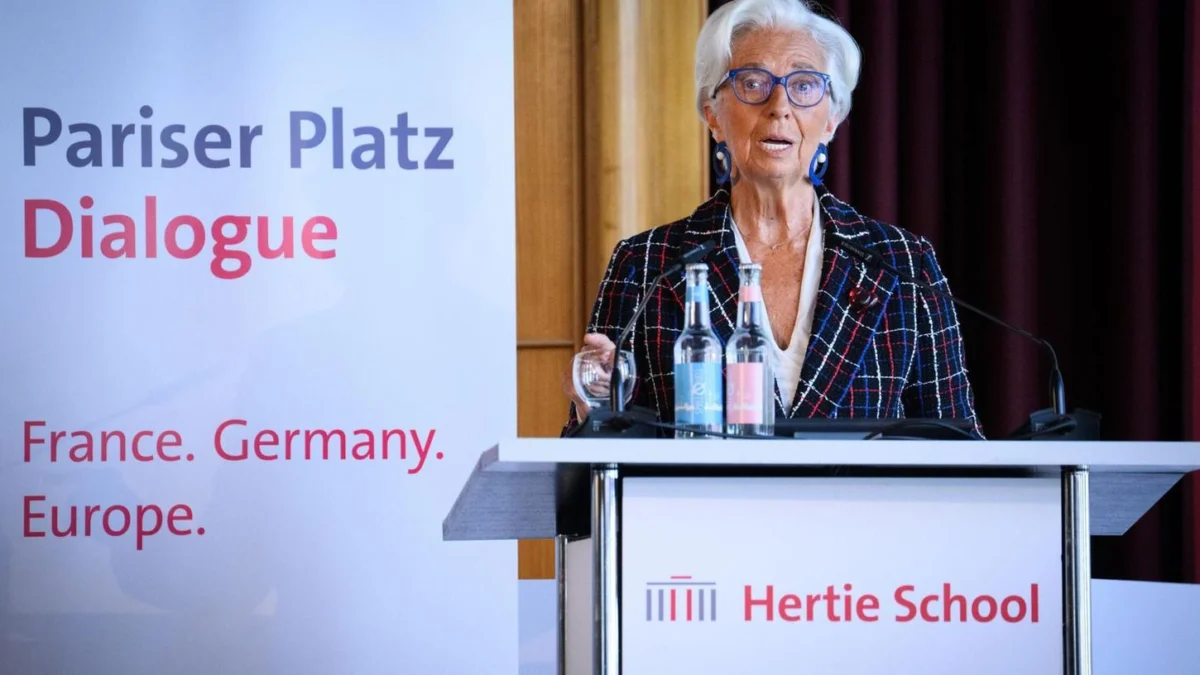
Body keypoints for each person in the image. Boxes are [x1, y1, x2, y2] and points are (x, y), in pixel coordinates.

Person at [562, 0, 982, 438]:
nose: (779, 105)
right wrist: (594, 405)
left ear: (831, 120)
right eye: (753, 82)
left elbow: (960, 446)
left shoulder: (902, 263)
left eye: (804, 85)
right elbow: (592, 455)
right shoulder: (646, 263)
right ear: (713, 116)